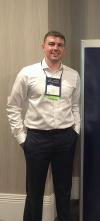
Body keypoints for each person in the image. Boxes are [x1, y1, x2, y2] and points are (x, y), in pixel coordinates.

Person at [7, 31, 80, 221]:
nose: (55, 48)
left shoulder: (73, 75)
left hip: (65, 138)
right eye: (51, 44)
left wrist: (75, 132)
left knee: (64, 190)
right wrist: (22, 138)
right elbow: (13, 106)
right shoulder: (28, 73)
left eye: (60, 45)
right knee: (34, 192)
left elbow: (75, 106)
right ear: (43, 46)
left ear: (64, 49)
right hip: (37, 138)